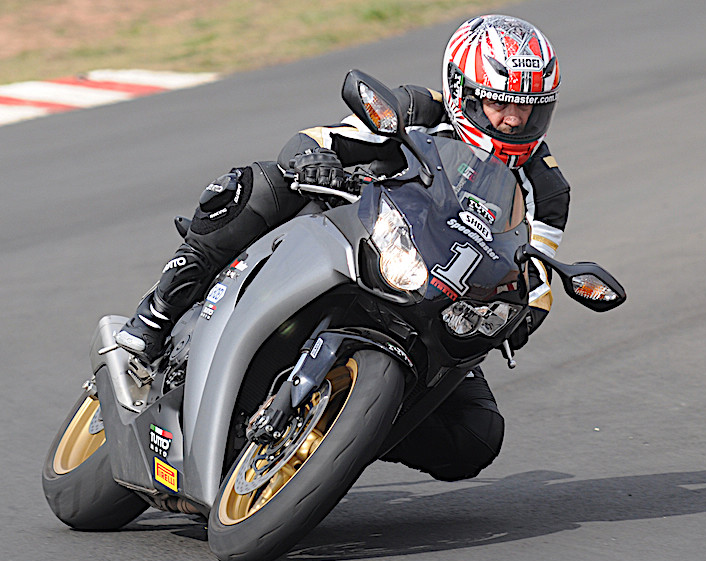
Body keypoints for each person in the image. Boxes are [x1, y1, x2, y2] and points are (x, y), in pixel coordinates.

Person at [115, 14, 570, 482]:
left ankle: (339, 438)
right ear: (462, 91)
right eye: (500, 104)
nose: (515, 120)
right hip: (355, 238)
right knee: (260, 184)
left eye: (531, 109)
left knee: (477, 435)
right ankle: (154, 318)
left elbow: (537, 279)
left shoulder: (547, 189)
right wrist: (316, 160)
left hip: (433, 303)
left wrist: (521, 313)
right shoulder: (413, 110)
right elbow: (317, 139)